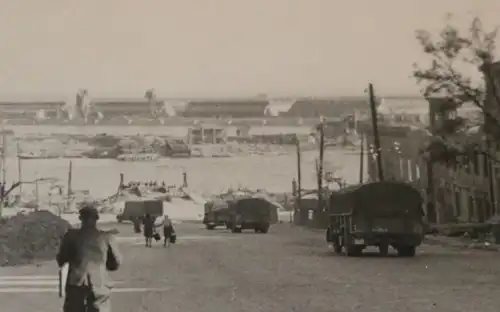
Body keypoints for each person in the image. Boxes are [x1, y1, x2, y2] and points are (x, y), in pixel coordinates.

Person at [57, 204, 122, 312]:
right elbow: (115, 264)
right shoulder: (107, 237)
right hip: (99, 286)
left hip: (76, 286)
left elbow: (61, 260)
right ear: (96, 219)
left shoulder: (71, 236)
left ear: (80, 218)